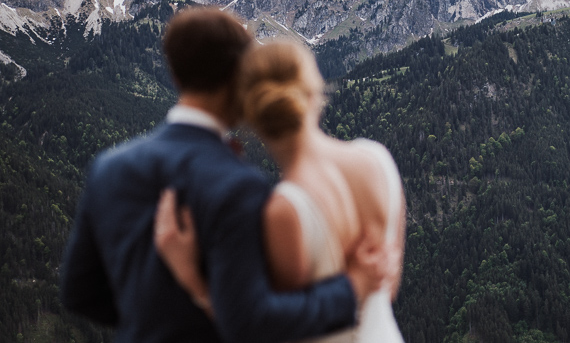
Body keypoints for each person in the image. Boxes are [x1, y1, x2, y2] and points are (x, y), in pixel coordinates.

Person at [60, 7, 383, 343]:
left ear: (174, 73)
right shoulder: (239, 185)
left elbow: (79, 293)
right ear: (238, 76)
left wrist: (147, 319)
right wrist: (351, 288)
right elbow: (253, 320)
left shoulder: (109, 167)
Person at [154, 39, 406, 342]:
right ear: (314, 89)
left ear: (248, 112)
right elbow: (386, 289)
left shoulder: (286, 209)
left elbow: (272, 330)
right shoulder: (377, 160)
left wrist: (191, 279)